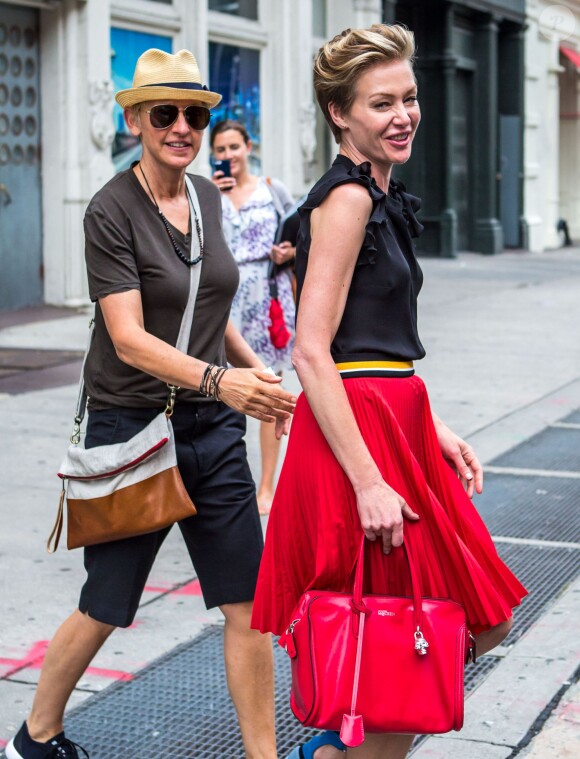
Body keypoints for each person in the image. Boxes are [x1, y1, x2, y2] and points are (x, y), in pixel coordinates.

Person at [6, 48, 296, 759]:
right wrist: (220, 380)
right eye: (164, 112)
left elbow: (209, 299)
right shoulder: (110, 209)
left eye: (195, 113)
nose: (181, 126)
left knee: (249, 605)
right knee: (108, 602)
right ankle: (33, 737)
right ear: (134, 118)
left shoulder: (204, 196)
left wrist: (259, 373)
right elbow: (129, 337)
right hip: (135, 426)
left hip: (210, 428)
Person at [251, 24, 527, 759]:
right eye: (382, 103)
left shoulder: (380, 195)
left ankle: (336, 753)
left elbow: (368, 340)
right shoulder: (345, 201)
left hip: (394, 419)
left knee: (448, 625)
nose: (404, 114)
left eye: (409, 97)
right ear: (339, 113)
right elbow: (312, 351)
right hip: (358, 441)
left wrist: (429, 429)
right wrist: (369, 480)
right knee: (424, 627)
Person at [210, 120, 296, 515]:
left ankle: (266, 487)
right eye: (220, 149)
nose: (228, 156)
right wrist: (213, 196)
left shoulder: (272, 190)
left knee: (268, 388)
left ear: (248, 147)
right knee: (222, 388)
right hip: (224, 303)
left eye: (233, 147)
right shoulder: (208, 194)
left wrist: (287, 252)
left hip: (267, 298)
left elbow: (301, 234)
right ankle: (226, 485)